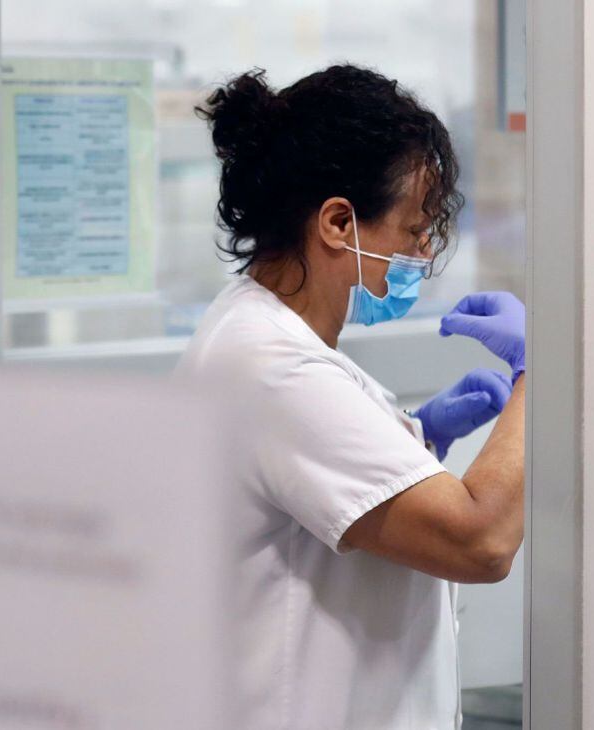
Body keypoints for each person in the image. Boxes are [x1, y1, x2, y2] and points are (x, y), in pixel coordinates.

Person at [178, 65, 525, 730]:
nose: (423, 251)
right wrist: (539, 375)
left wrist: (419, 439)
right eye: (414, 230)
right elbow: (481, 542)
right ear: (338, 223)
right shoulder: (272, 367)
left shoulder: (263, 335)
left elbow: (315, 497)